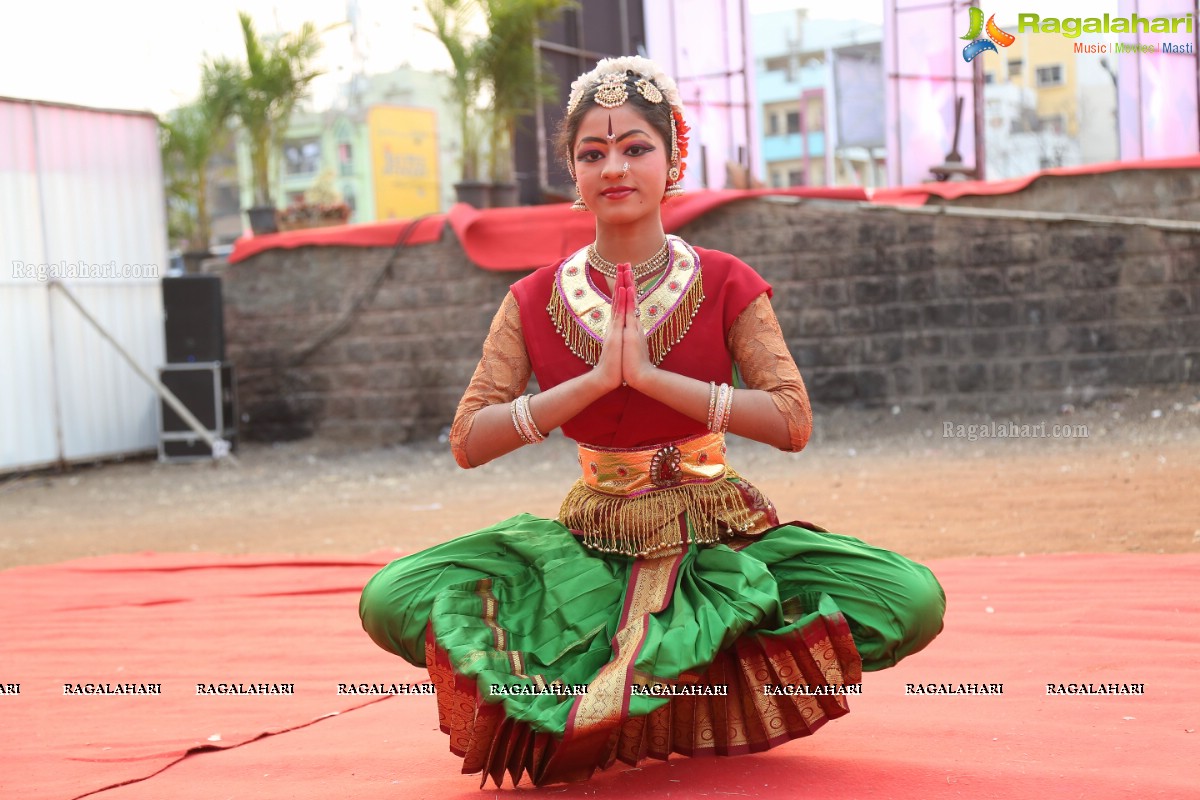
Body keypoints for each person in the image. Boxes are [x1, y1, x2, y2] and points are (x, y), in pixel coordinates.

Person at [359, 55, 945, 788]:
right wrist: (593, 384)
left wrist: (660, 382)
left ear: (674, 159)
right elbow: (468, 441)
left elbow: (793, 421)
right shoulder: (534, 299)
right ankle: (643, 698)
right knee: (390, 598)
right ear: (571, 171)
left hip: (719, 530)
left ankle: (702, 692)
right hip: (593, 541)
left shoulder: (727, 280)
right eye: (592, 153)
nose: (615, 167)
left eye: (636, 147)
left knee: (909, 599)